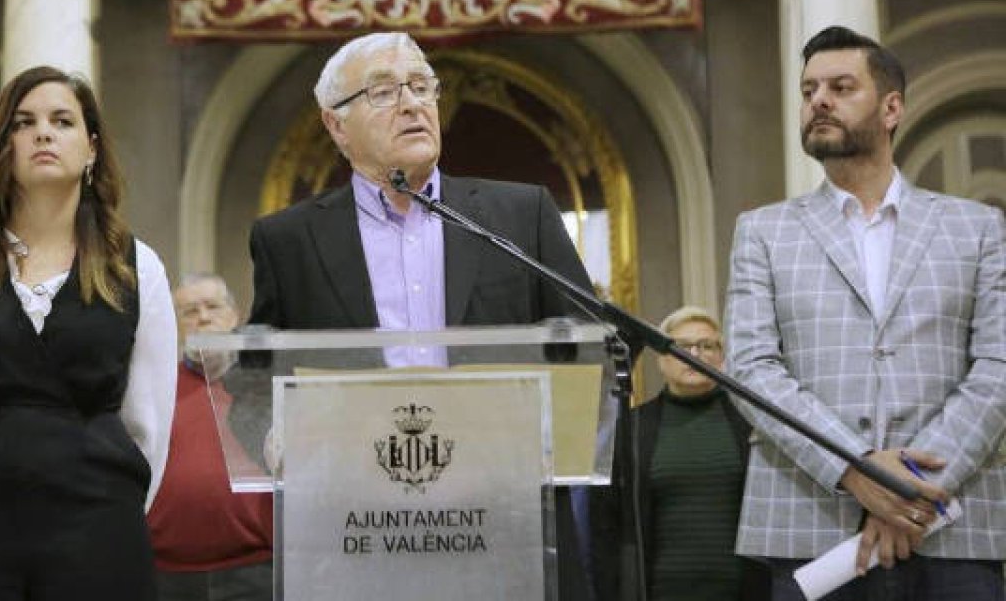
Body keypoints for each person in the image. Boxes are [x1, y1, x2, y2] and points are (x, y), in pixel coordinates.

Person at [247, 31, 597, 599]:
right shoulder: (288, 240)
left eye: (421, 86)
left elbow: (583, 341)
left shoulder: (518, 214)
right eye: (383, 92)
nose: (412, 103)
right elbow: (260, 369)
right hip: (358, 526)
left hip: (502, 518)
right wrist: (274, 431)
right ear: (336, 124)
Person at [725, 25, 1005, 599]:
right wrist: (857, 471)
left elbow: (998, 366)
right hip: (812, 523)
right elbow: (752, 370)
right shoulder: (763, 232)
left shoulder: (975, 228)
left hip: (955, 524)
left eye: (840, 86)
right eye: (808, 91)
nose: (818, 101)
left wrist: (911, 491)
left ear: (891, 107)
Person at [0, 65, 178, 600]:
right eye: (24, 123)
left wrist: (110, 499)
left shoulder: (139, 266)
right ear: (4, 146)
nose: (43, 132)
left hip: (96, 523)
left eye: (62, 121)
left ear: (91, 148)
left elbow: (149, 424)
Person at [587, 306, 769, 601]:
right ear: (661, 359)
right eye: (682, 346)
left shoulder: (751, 421)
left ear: (722, 358)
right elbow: (606, 524)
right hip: (660, 591)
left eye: (707, 345)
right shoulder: (632, 429)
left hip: (744, 590)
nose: (695, 354)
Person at [147, 273, 274, 600]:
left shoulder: (263, 388)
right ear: (175, 326)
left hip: (255, 570)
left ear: (234, 316)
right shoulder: (154, 386)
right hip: (166, 575)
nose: (203, 317)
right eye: (189, 311)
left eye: (213, 307)